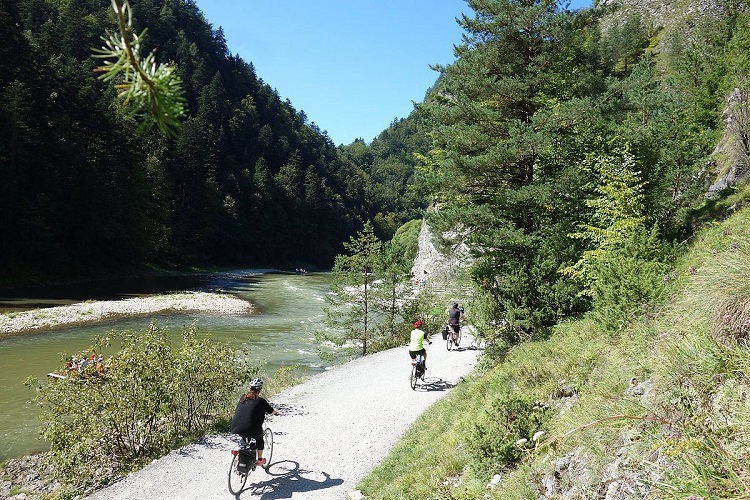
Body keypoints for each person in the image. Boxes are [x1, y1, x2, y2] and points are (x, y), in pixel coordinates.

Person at [230, 378, 279, 466]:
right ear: (260, 389)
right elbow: (271, 411)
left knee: (244, 436)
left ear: (250, 388)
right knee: (260, 439)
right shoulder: (261, 401)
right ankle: (259, 460)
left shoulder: (243, 397)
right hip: (252, 429)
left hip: (236, 427)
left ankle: (239, 453)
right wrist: (275, 412)